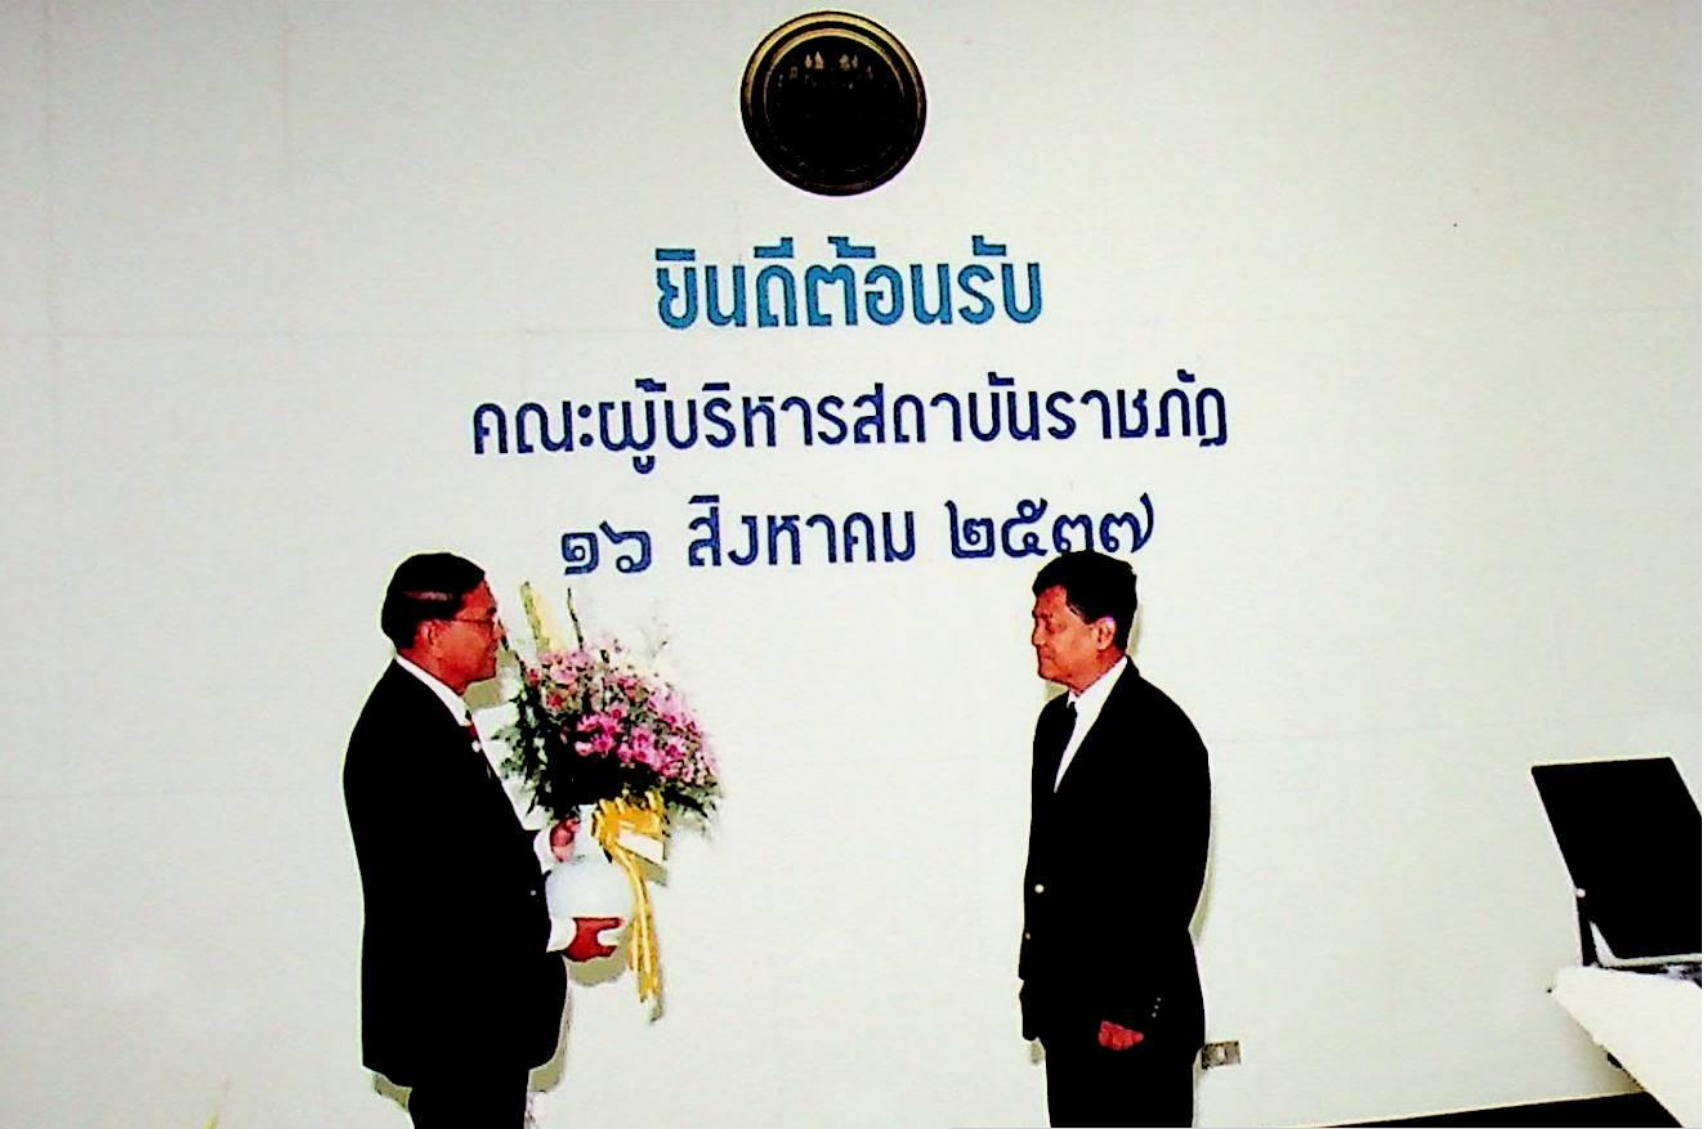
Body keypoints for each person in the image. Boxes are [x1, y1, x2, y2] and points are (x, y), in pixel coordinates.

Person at [343, 552, 616, 1128]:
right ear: (434, 632)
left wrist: (543, 846)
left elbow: (461, 853)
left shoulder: (427, 714)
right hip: (456, 1022)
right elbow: (446, 900)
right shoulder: (405, 734)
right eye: (486, 618)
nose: (499, 634)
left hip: (470, 1024)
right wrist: (566, 934)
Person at [1020, 551, 1211, 1127]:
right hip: (1067, 1011)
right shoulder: (1055, 724)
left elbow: (1172, 879)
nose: (1036, 638)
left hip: (1133, 1024)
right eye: (1035, 621)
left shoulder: (1161, 733)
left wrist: (1130, 1005)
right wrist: (1036, 979)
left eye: (1051, 624)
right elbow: (1049, 863)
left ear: (1103, 633)